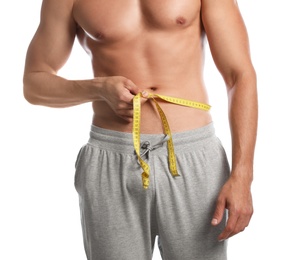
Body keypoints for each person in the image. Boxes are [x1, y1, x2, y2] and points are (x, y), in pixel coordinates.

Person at [23, 0, 257, 259]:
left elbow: (239, 75)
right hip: (112, 156)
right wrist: (98, 89)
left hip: (193, 154)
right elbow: (34, 83)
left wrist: (242, 175)